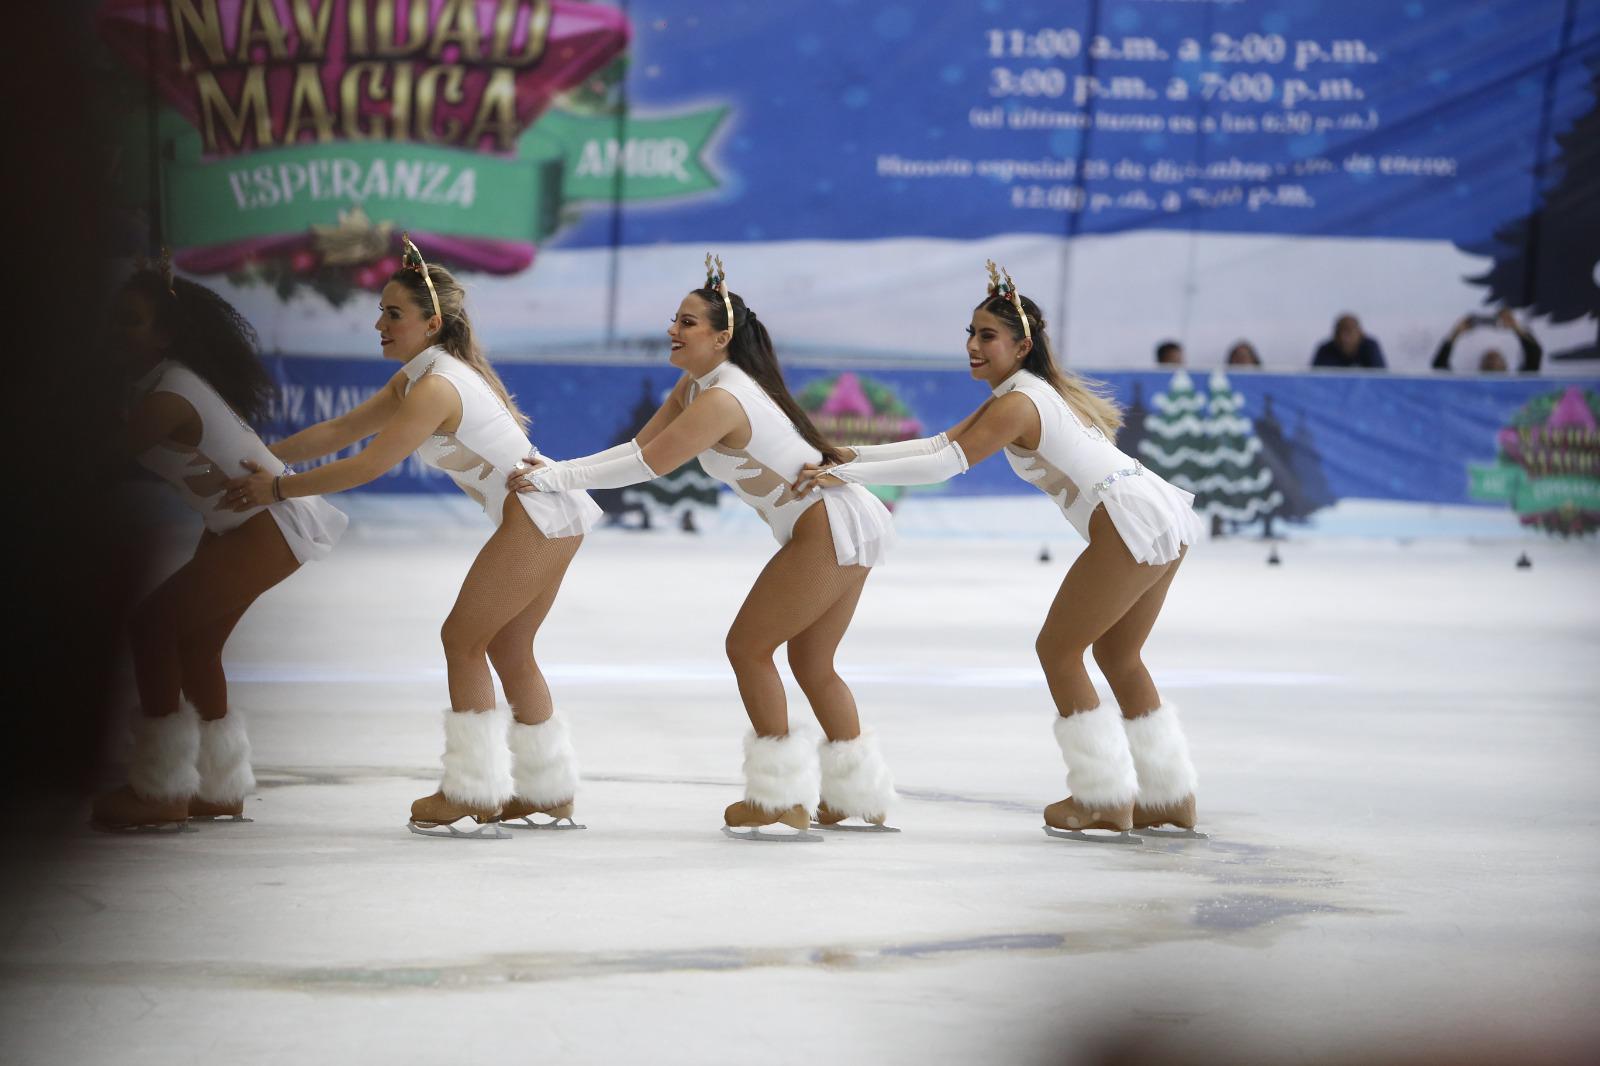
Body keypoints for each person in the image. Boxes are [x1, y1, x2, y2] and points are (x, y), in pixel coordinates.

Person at [797, 261, 1207, 843]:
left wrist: (848, 469)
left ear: (1022, 345)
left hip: (1129, 518)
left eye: (986, 335)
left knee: (1059, 650)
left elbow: (943, 464)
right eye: (969, 333)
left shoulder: (1019, 401)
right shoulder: (1022, 392)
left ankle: (1102, 797)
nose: (972, 345)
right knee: (1119, 657)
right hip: (1155, 511)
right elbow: (941, 443)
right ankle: (1168, 798)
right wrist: (850, 457)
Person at [510, 255, 898, 840]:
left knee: (749, 647)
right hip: (842, 522)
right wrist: (560, 469)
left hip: (829, 524)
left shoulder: (722, 399)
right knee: (812, 661)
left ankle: (778, 799)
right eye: (676, 318)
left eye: (688, 322)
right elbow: (638, 445)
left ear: (722, 338)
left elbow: (647, 465)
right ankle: (856, 797)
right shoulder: (699, 386)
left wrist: (555, 477)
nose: (674, 329)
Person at [225, 236, 600, 838]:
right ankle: (546, 791)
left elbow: (368, 464)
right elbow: (344, 428)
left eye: (392, 314)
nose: (378, 322)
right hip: (553, 516)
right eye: (380, 310)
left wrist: (276, 490)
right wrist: (265, 458)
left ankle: (472, 791)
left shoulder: (435, 386)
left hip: (540, 517)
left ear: (432, 323)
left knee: (463, 638)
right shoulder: (420, 376)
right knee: (506, 647)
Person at [93, 259, 348, 831]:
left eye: (130, 321)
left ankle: (161, 791)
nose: (116, 331)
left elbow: (96, 455)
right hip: (245, 527)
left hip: (265, 529)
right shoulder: (157, 383)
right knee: (194, 646)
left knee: (152, 627)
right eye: (114, 319)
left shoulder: (169, 395)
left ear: (165, 334)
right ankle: (218, 786)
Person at [1431, 309, 1542, 372]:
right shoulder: (1468, 387)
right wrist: (1454, 333)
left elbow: (1534, 355)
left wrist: (1516, 328)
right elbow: (1440, 367)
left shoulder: (1518, 385)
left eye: (1496, 358)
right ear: (1480, 366)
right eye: (1488, 359)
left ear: (1505, 366)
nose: (1492, 361)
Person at [1311, 314, 1385, 368]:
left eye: (1349, 332)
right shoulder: (1325, 350)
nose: (1343, 338)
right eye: (1339, 332)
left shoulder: (1370, 347)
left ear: (1360, 333)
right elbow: (1315, 380)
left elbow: (1381, 378)